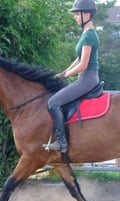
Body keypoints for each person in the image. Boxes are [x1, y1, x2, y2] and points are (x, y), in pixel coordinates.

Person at [43, 0, 100, 153]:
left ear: (87, 14)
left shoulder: (89, 36)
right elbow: (79, 58)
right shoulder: (86, 33)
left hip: (87, 79)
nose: (75, 17)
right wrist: (64, 71)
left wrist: (66, 74)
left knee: (53, 102)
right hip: (85, 77)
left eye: (77, 14)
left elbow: (84, 65)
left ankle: (62, 143)